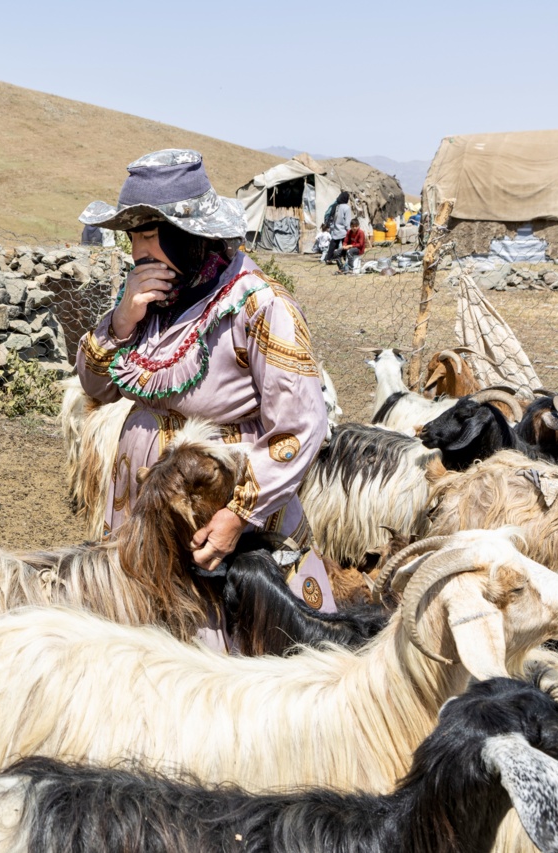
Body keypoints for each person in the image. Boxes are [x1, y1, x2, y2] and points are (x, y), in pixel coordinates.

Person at [74, 149, 335, 635]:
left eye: (149, 234)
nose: (138, 251)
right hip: (145, 511)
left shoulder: (258, 306)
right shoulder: (150, 301)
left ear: (189, 233)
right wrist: (122, 320)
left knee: (221, 640)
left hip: (216, 512)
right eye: (132, 237)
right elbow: (96, 389)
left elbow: (300, 427)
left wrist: (237, 516)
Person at [322, 191, 351, 263]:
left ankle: (328, 258)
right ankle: (346, 258)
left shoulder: (337, 206)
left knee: (333, 245)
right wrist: (349, 230)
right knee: (345, 244)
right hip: (344, 230)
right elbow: (347, 221)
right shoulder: (346, 208)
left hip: (336, 229)